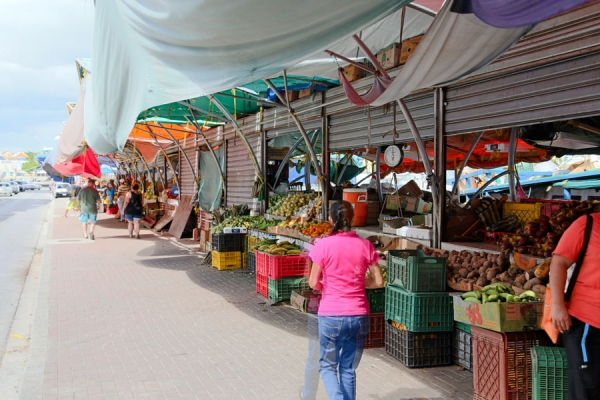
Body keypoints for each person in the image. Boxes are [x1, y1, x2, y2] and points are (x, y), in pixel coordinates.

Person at [308, 200, 383, 400]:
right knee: (348, 368)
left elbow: (313, 282)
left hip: (331, 314)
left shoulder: (322, 246)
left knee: (327, 366)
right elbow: (378, 281)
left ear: (331, 220)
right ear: (354, 219)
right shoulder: (365, 245)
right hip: (359, 316)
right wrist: (357, 282)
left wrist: (326, 284)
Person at [550, 213, 600, 400]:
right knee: (586, 386)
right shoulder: (587, 225)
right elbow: (559, 262)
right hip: (586, 323)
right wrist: (557, 305)